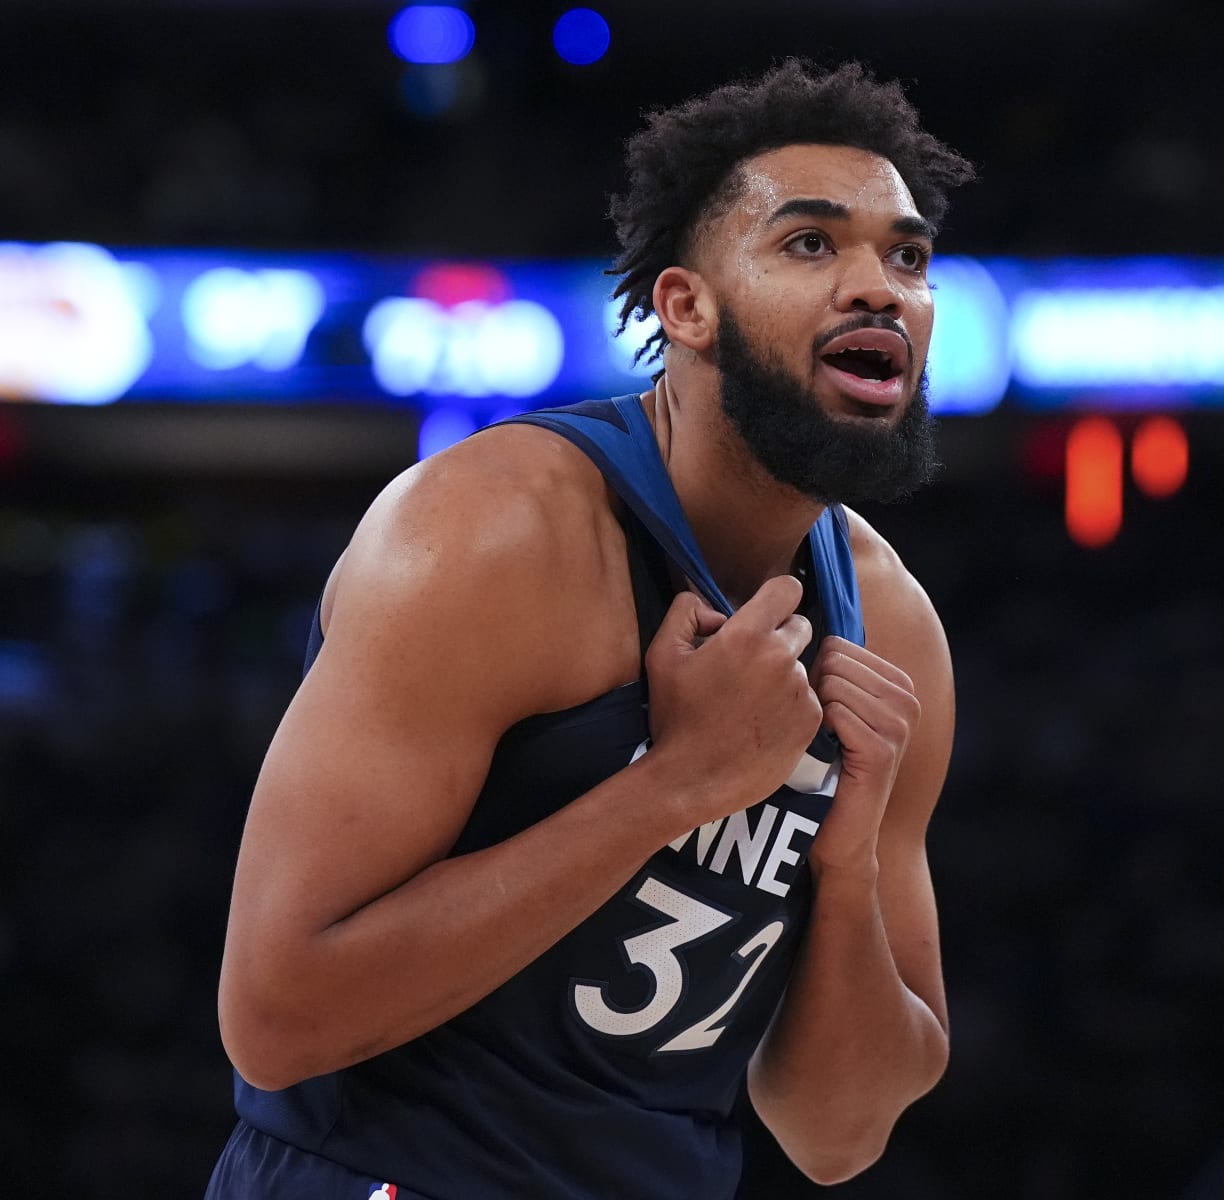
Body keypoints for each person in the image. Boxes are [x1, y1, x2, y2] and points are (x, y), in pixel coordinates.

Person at [207, 59, 975, 1199]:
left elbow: (838, 1134)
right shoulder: (493, 532)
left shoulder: (889, 627)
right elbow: (276, 1021)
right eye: (811, 244)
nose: (879, 289)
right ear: (686, 308)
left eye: (907, 257)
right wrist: (673, 788)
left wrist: (846, 857)